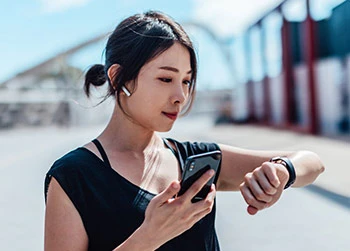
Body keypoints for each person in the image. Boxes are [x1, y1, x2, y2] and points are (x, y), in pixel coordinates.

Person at [44, 11, 325, 251]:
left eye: (187, 81)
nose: (180, 95)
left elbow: (312, 162)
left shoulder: (196, 160)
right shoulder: (73, 176)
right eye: (165, 78)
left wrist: (282, 171)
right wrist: (147, 238)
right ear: (118, 78)